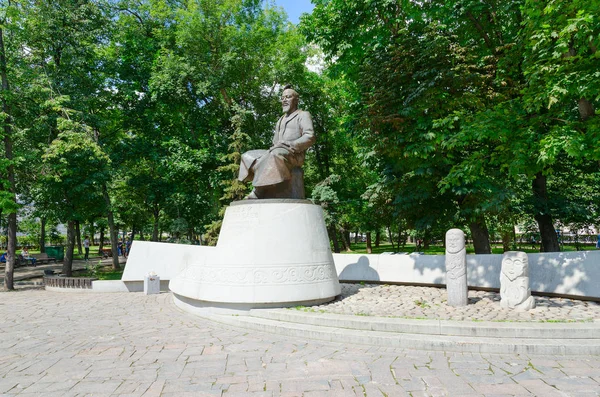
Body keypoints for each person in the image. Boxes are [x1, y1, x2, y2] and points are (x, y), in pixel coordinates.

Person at [238, 85, 315, 199]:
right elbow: (275, 142)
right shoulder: (280, 119)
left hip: (294, 154)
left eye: (288, 97)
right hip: (277, 150)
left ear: (296, 100)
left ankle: (258, 191)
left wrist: (291, 144)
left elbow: (310, 136)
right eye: (282, 98)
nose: (284, 100)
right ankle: (264, 183)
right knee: (248, 156)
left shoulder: (303, 115)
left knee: (275, 154)